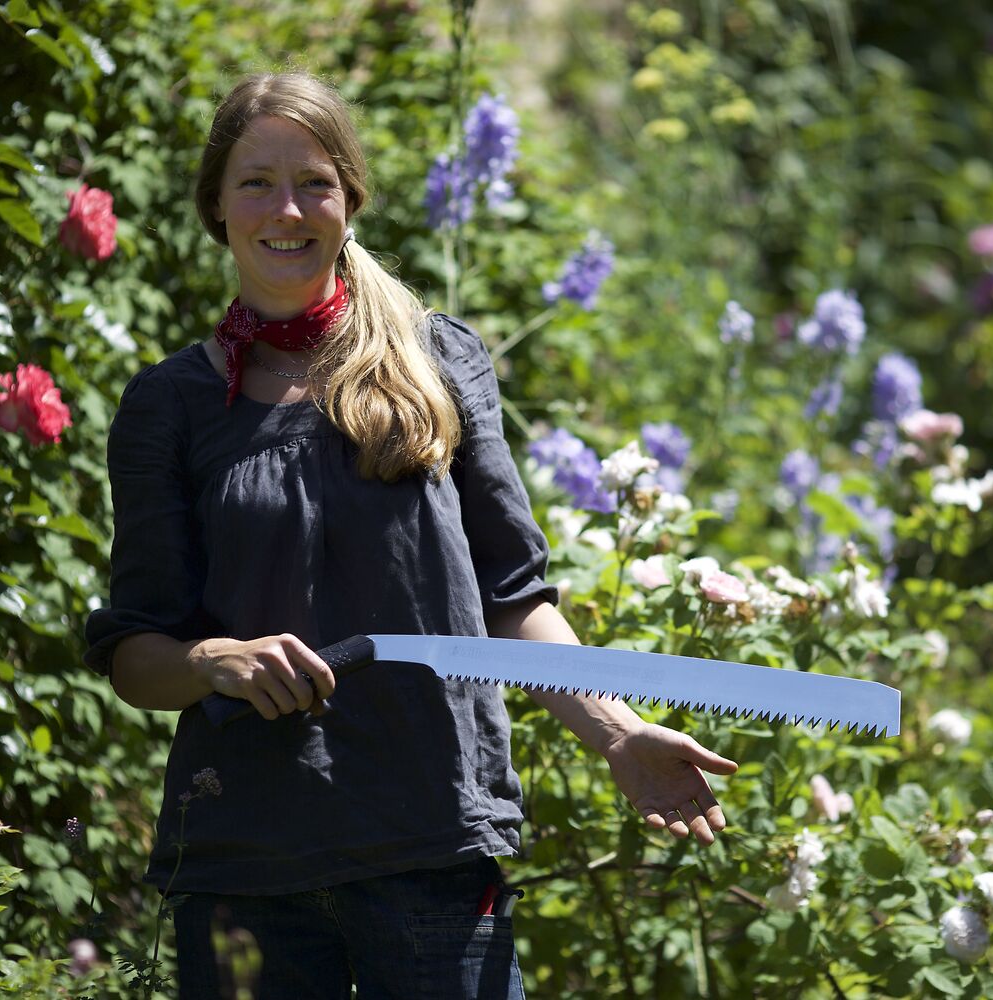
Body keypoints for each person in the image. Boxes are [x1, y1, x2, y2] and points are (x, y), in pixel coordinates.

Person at [83, 72, 738, 1000]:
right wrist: (216, 660)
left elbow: (513, 602)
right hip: (245, 857)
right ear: (216, 209)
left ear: (350, 198)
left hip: (432, 838)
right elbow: (135, 656)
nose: (287, 208)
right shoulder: (169, 406)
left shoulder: (437, 360)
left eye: (314, 181)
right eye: (256, 182)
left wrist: (619, 735)